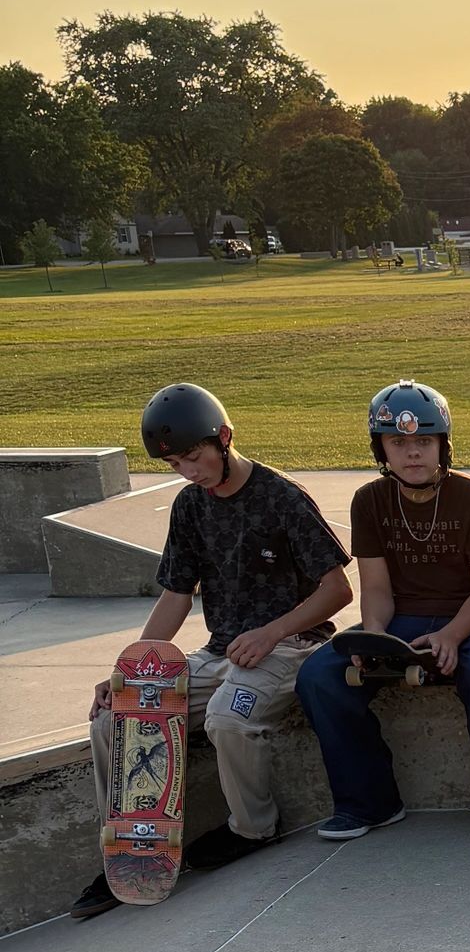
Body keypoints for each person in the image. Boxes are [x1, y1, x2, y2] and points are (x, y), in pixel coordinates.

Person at [71, 384, 351, 923]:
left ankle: (252, 828)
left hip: (289, 648)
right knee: (116, 719)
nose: (188, 472)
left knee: (227, 719)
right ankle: (131, 848)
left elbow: (337, 590)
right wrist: (127, 671)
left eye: (194, 458)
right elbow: (177, 594)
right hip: (219, 652)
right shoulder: (190, 506)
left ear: (224, 438)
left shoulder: (282, 497)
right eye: (176, 464)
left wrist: (271, 633)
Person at [293, 379, 470, 842]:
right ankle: (370, 802)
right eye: (398, 442)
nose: (412, 453)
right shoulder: (369, 500)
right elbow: (377, 586)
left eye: (424, 441)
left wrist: (454, 636)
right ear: (381, 449)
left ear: (444, 444)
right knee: (319, 675)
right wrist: (375, 639)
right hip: (402, 617)